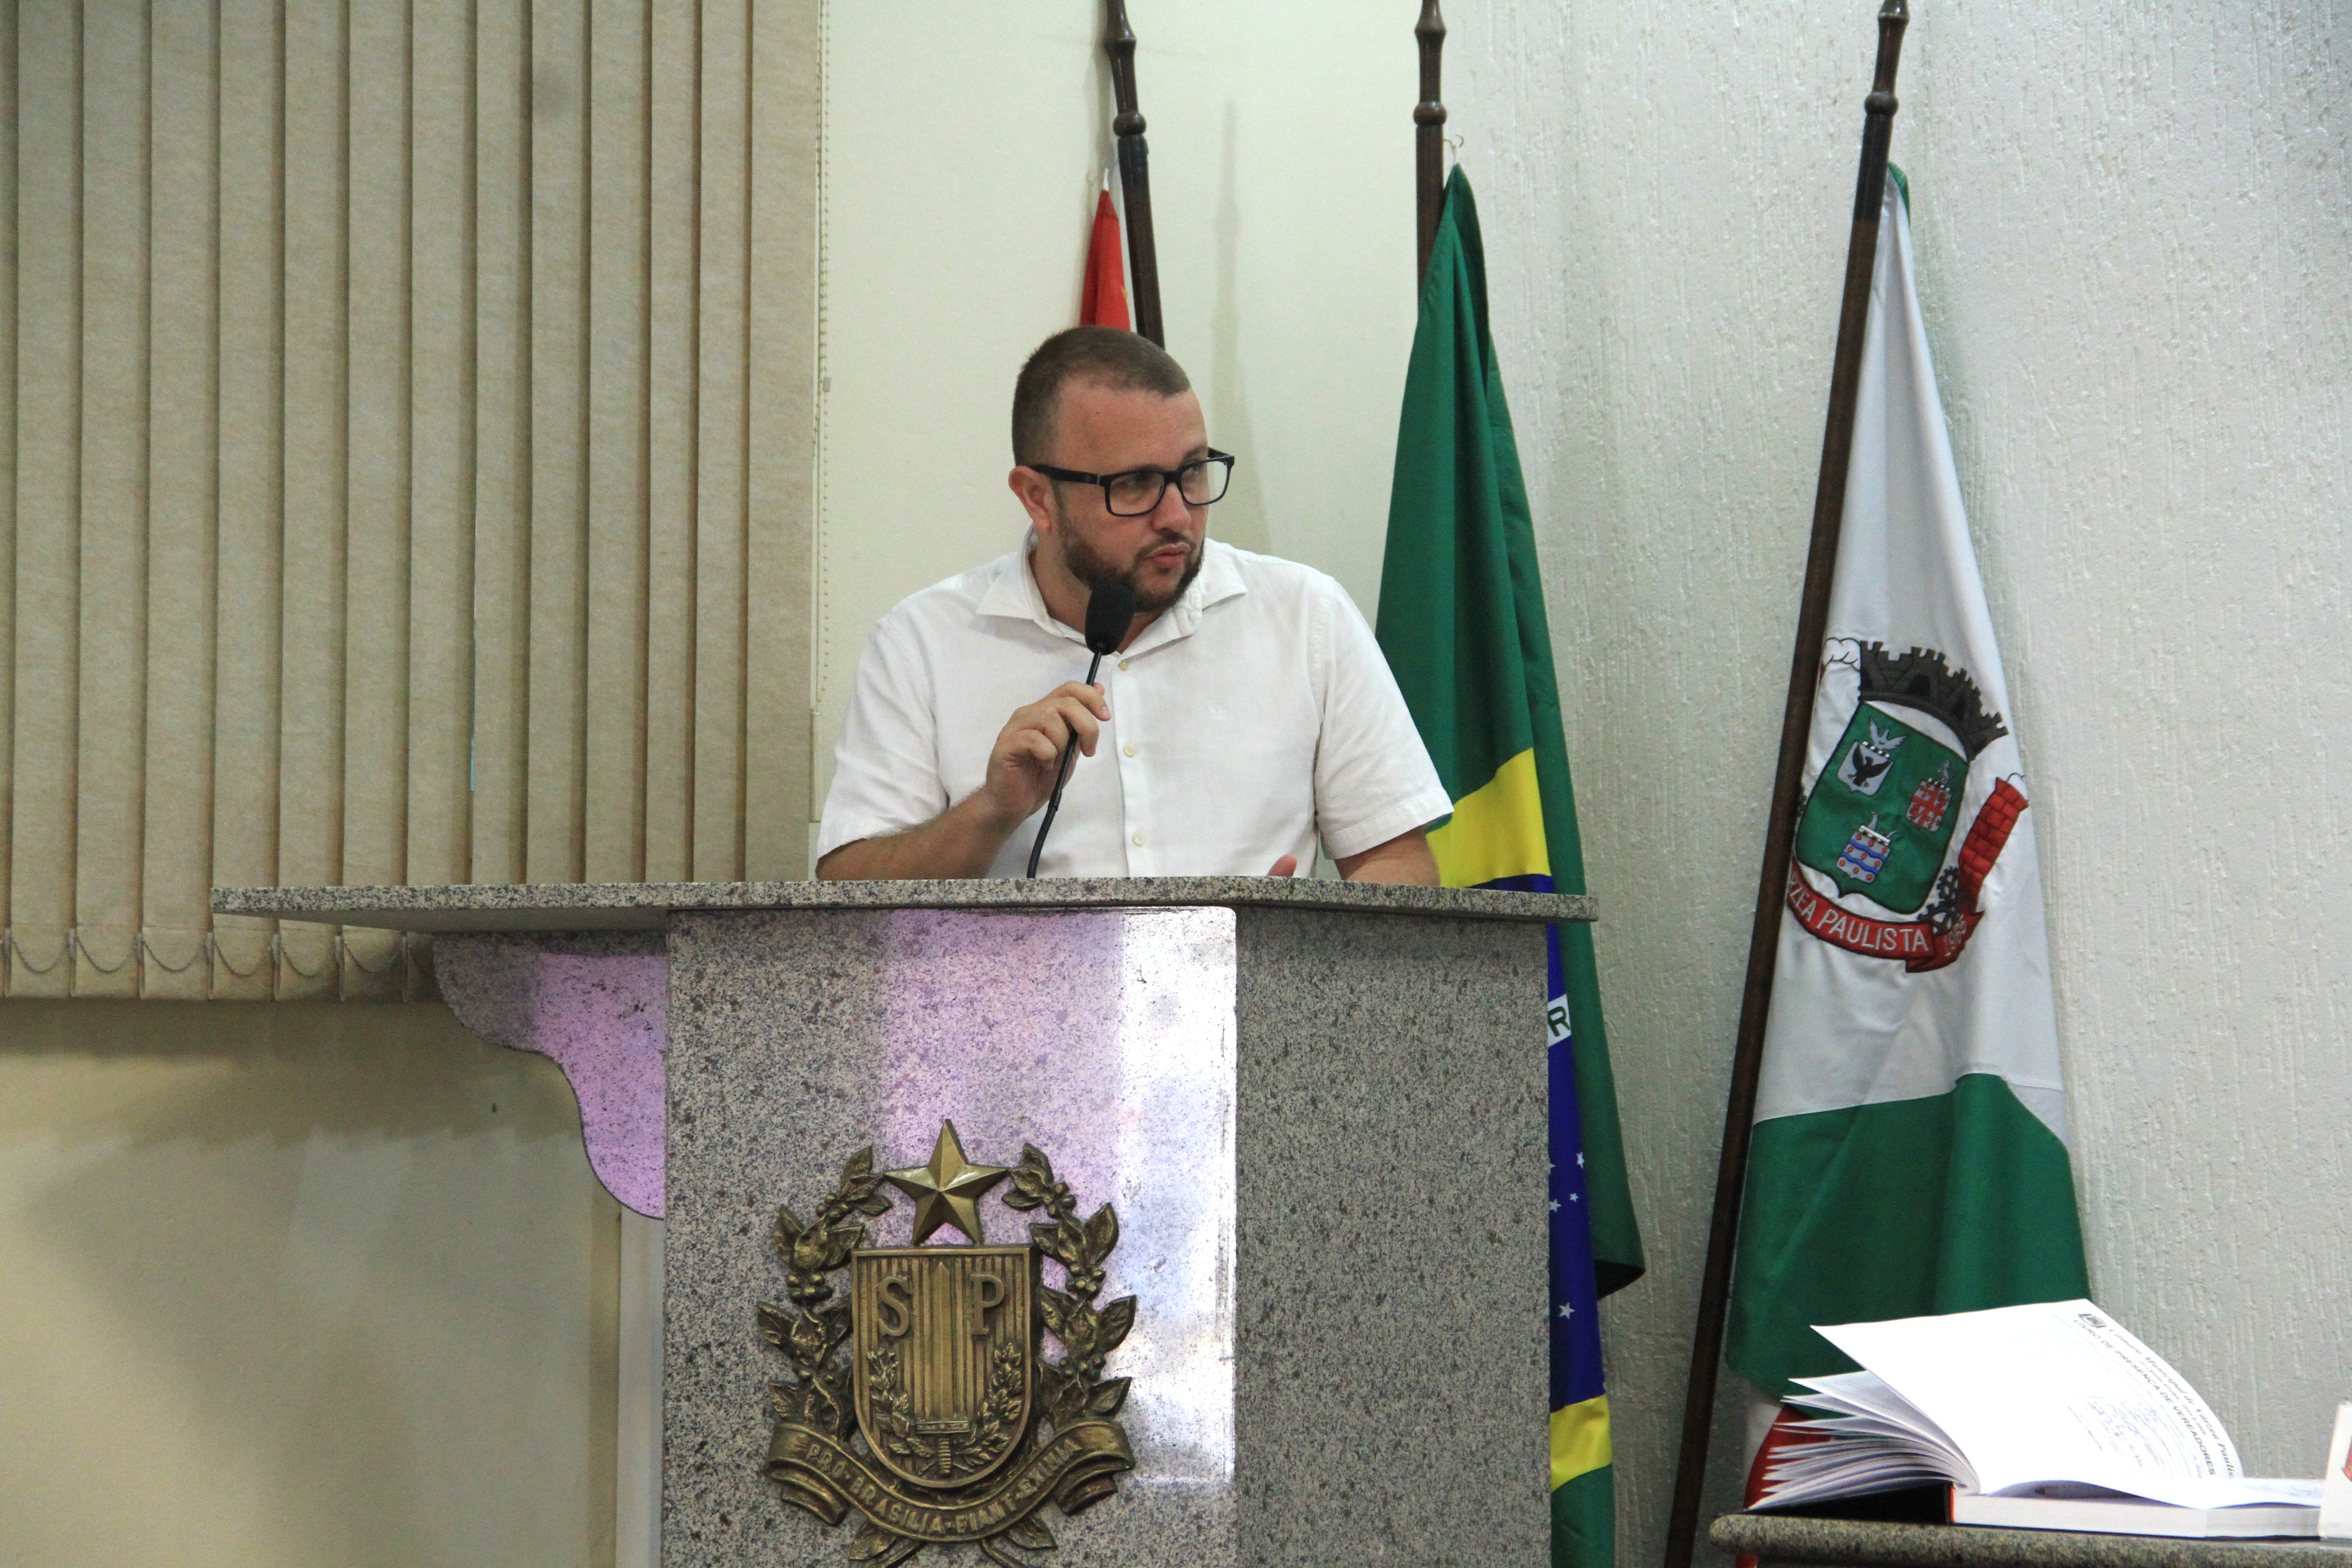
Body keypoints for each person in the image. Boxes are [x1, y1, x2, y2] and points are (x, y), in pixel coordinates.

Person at [814, 327, 1448, 883]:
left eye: (1193, 472)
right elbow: (848, 893)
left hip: (1249, 989)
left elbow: (1399, 862)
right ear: (1038, 498)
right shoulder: (922, 642)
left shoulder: (1307, 617)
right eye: (1136, 484)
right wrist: (992, 811)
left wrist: (1292, 939)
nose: (1177, 516)